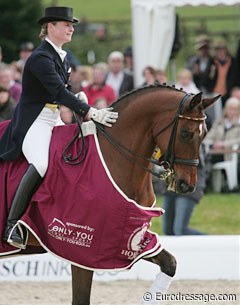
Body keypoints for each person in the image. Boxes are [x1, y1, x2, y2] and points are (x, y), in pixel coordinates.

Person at [0, 6, 118, 250]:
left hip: (53, 116)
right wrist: (91, 112)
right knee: (42, 164)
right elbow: (57, 92)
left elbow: (63, 93)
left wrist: (81, 100)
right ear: (50, 27)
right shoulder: (40, 58)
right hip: (34, 121)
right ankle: (12, 224)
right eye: (66, 25)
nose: (71, 28)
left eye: (72, 24)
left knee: (78, 152)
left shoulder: (61, 56)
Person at [159, 146, 206, 235]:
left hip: (189, 186)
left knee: (180, 231)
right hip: (171, 187)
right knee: (167, 231)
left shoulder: (191, 139)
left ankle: (213, 242)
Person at [204, 96, 240, 163]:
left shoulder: (238, 124)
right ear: (226, 110)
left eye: (236, 109)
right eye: (231, 109)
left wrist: (224, 144)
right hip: (215, 154)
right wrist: (213, 144)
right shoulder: (218, 123)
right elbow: (207, 138)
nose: (233, 112)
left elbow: (238, 140)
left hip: (233, 157)